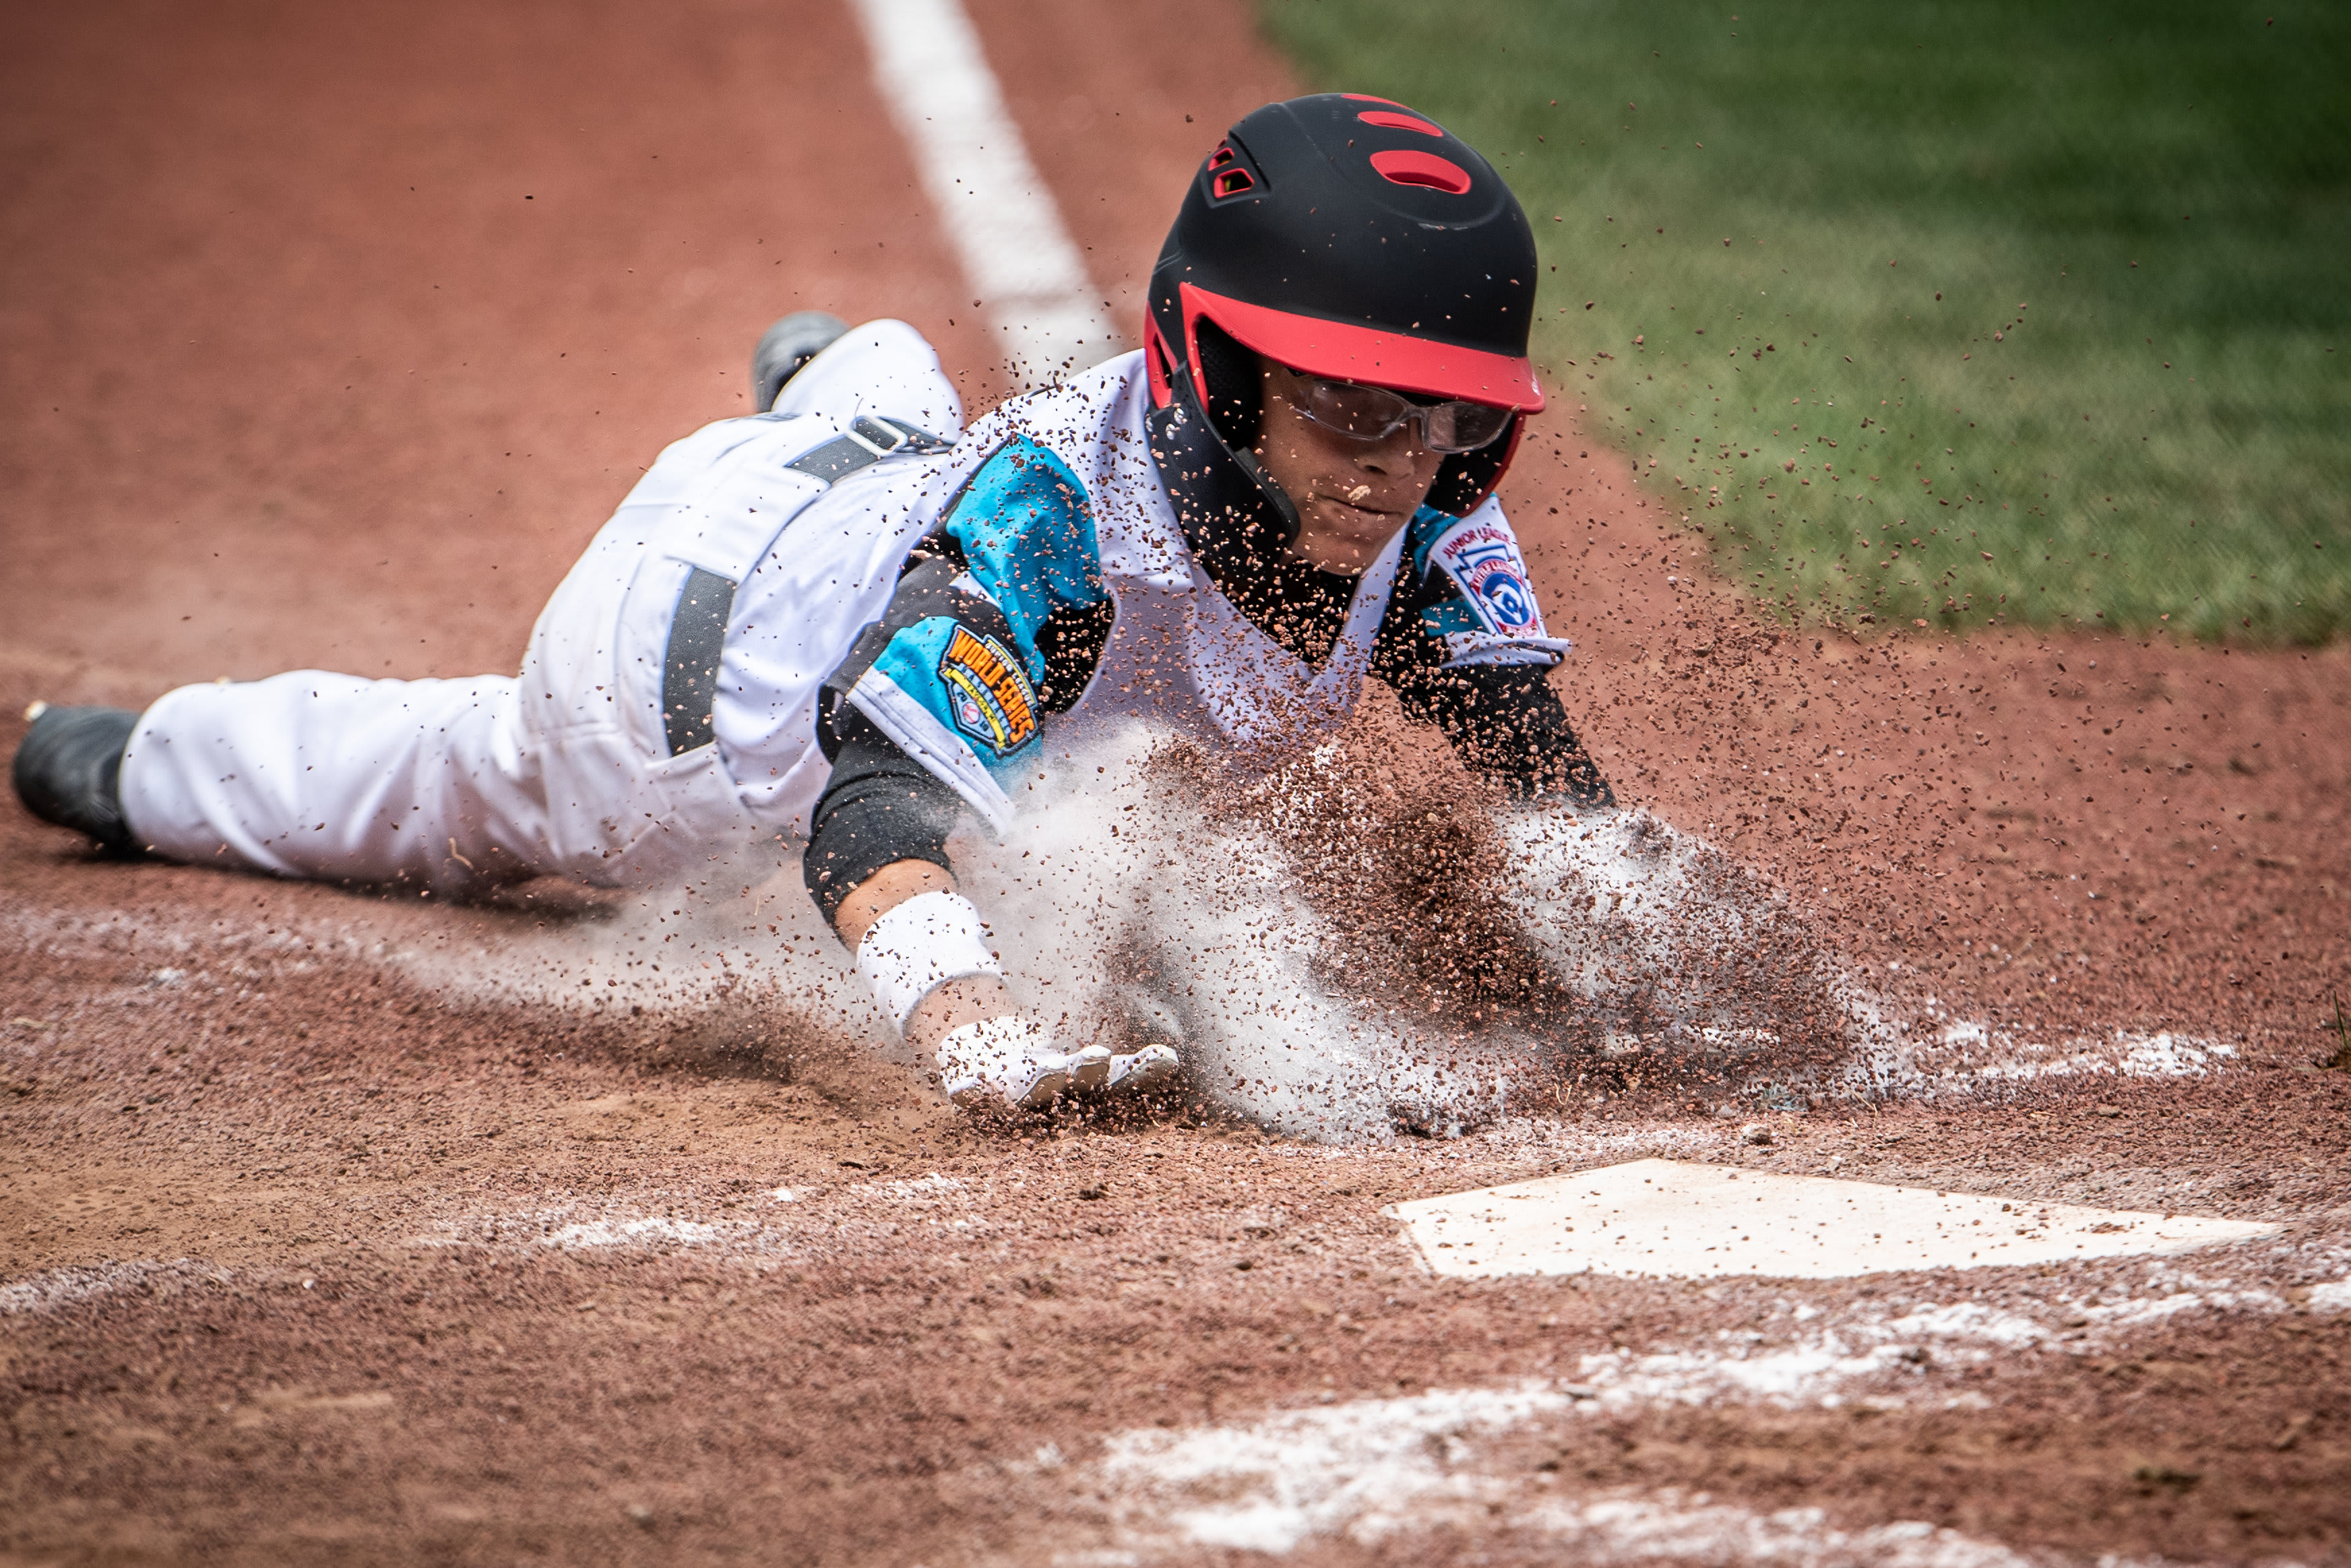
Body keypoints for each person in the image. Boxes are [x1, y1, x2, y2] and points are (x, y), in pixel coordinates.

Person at [13, 93, 1619, 1116]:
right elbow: (866, 818)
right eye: (1353, 409)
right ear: (1216, 367)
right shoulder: (1049, 539)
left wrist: (1655, 956)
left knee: (890, 418)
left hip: (864, 496)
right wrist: (974, 1027)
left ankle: (829, 374)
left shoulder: (1412, 514)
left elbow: (1551, 793)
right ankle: (143, 763)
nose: (1401, 466)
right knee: (480, 778)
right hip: (686, 700)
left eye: (1451, 418)